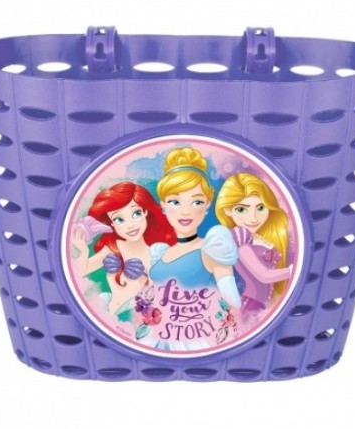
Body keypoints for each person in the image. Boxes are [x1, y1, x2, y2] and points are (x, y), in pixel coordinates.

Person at [146, 147, 241, 350]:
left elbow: (233, 304)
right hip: (156, 340)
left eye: (196, 201)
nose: (185, 211)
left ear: (207, 204)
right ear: (163, 205)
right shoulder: (159, 252)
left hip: (196, 341)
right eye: (175, 201)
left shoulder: (213, 247)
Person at [72, 181, 176, 320]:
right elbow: (78, 272)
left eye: (136, 213)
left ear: (145, 211)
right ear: (111, 223)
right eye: (119, 219)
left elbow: (163, 296)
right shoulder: (113, 247)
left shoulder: (156, 254)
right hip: (108, 310)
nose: (130, 225)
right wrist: (83, 251)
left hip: (133, 316)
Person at [215, 173, 291, 313]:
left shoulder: (260, 237)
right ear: (228, 210)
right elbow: (264, 275)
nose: (253, 218)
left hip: (265, 303)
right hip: (252, 305)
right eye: (242, 210)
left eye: (260, 208)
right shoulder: (241, 241)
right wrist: (292, 271)